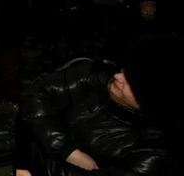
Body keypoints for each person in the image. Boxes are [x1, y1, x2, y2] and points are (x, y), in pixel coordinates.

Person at [18, 33, 183, 175]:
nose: (118, 76)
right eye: (126, 70)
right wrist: (68, 151)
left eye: (131, 81)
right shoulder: (97, 74)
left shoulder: (153, 151)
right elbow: (35, 93)